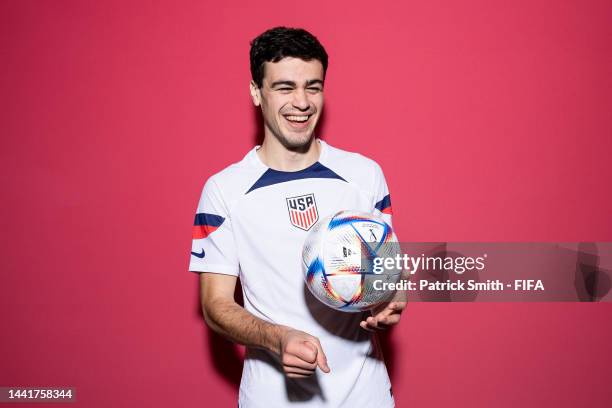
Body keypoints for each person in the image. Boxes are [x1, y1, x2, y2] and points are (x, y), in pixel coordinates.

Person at [189, 26, 405, 408]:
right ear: (256, 92)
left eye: (313, 86)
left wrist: (390, 296)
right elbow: (215, 304)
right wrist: (278, 338)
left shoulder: (364, 175)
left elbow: (387, 272)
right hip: (272, 398)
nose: (302, 102)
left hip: (365, 394)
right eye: (285, 88)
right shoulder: (224, 190)